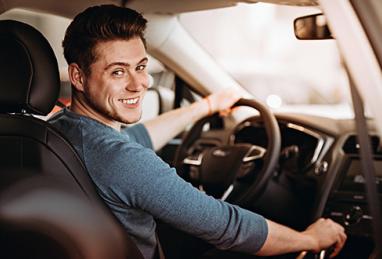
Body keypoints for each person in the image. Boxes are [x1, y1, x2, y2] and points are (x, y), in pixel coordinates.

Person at [49, 4, 346, 259]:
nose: (138, 84)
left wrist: (205, 106)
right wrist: (311, 239)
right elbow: (228, 227)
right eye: (118, 71)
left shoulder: (57, 131)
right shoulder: (123, 161)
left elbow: (137, 137)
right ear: (77, 76)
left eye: (140, 67)